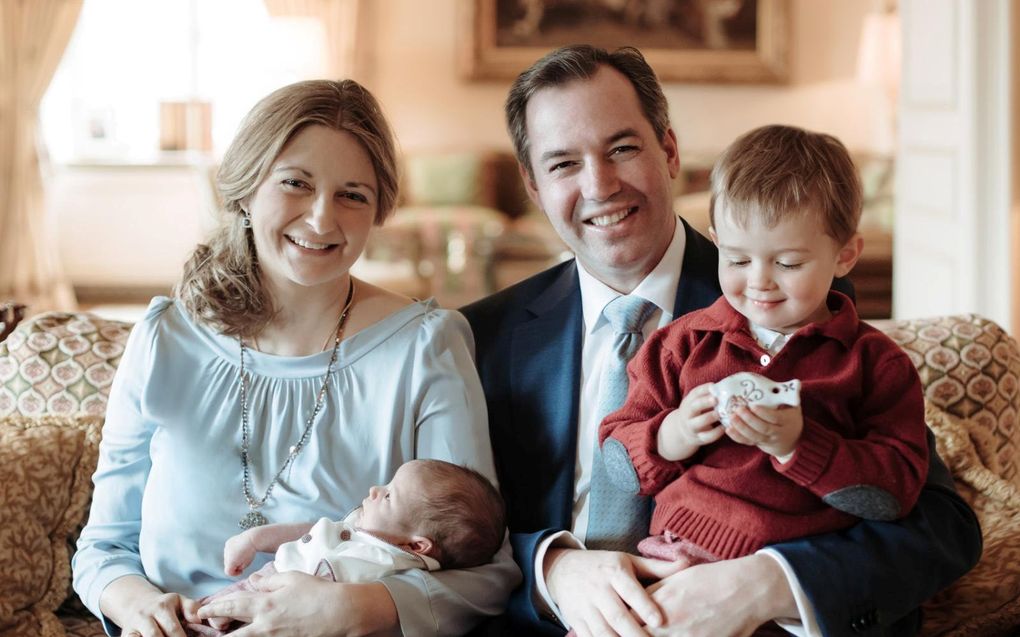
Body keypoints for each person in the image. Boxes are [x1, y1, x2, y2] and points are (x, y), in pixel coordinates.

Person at [460, 45, 981, 637]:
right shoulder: (483, 335)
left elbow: (940, 524)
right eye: (563, 165)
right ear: (531, 184)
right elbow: (441, 522)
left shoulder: (796, 301)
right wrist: (551, 569)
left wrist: (765, 585)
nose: (600, 185)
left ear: (670, 150)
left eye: (623, 148)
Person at [72, 78, 519, 637]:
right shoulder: (165, 336)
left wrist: (349, 610)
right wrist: (138, 605)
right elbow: (103, 547)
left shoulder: (425, 346)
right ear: (245, 189)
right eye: (295, 184)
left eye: (353, 195)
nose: (321, 220)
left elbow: (486, 575)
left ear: (379, 210)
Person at [600, 124, 929, 567]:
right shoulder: (681, 344)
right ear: (716, 242)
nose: (759, 281)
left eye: (788, 262)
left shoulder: (874, 363)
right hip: (672, 560)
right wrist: (672, 434)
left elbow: (896, 492)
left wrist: (799, 444)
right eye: (737, 259)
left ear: (845, 256)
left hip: (795, 574)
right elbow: (618, 459)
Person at [189, 459, 506, 636]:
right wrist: (257, 539)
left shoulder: (388, 566)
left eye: (389, 495)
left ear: (416, 545)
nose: (374, 490)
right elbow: (312, 531)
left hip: (294, 621)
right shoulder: (364, 525)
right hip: (261, 582)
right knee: (198, 615)